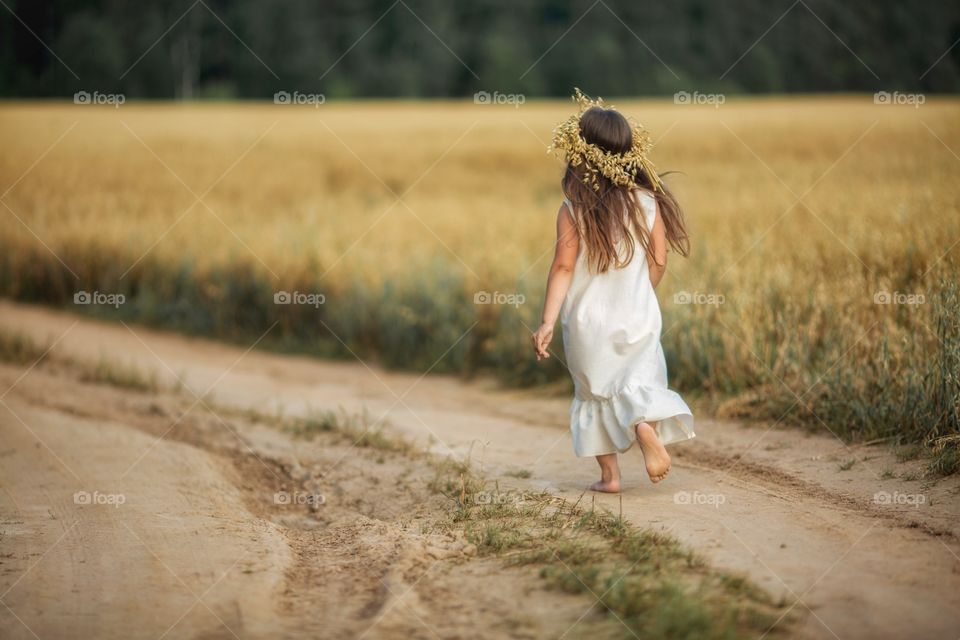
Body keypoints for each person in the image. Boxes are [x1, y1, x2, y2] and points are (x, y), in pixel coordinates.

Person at [532, 89, 695, 493]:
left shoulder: (572, 208)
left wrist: (547, 321)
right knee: (642, 383)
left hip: (588, 324)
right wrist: (643, 291)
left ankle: (610, 477)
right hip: (638, 314)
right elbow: (659, 259)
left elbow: (563, 267)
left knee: (594, 395)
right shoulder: (647, 201)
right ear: (629, 152)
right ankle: (643, 426)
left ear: (579, 153)